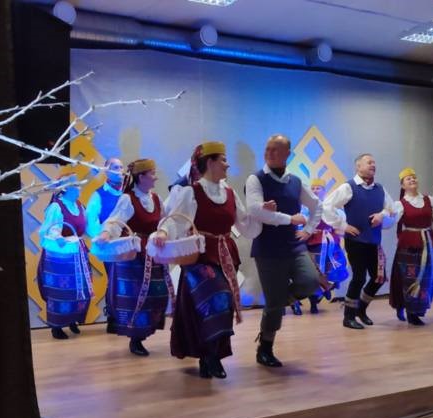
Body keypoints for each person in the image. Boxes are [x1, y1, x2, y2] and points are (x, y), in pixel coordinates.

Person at [162, 141, 262, 379]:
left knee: (222, 307)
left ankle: (210, 356)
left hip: (225, 255)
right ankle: (209, 356)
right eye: (223, 160)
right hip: (200, 256)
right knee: (219, 299)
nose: (228, 165)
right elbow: (176, 220)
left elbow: (245, 225)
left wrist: (262, 212)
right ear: (210, 162)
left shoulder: (230, 193)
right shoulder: (192, 192)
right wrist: (163, 233)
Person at [244, 134, 322, 367]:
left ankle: (278, 302)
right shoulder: (255, 179)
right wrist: (291, 219)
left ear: (288, 153)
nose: (269, 153)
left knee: (310, 281)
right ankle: (265, 348)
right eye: (267, 148)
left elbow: (317, 205)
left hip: (294, 245)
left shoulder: (295, 181)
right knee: (274, 303)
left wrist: (308, 229)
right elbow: (256, 211)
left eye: (275, 149)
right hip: (268, 249)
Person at [96, 158, 173, 356]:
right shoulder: (128, 198)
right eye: (152, 173)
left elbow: (165, 221)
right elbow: (115, 220)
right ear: (141, 177)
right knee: (138, 296)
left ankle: (145, 331)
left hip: (153, 253)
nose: (156, 177)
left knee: (157, 294)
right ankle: (136, 338)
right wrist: (106, 233)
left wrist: (163, 232)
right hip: (135, 255)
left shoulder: (156, 198)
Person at [323, 153, 397, 329]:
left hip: (374, 241)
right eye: (369, 162)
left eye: (374, 162)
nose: (373, 165)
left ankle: (361, 309)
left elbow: (392, 209)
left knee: (379, 278)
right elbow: (327, 206)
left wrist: (382, 215)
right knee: (359, 277)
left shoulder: (380, 189)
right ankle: (348, 317)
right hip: (356, 241)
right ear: (358, 166)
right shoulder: (349, 187)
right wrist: (343, 225)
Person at [36, 173, 101, 339]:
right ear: (65, 188)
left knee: (80, 289)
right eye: (76, 185)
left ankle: (73, 319)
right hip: (59, 257)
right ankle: (56, 326)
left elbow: (88, 228)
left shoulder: (79, 206)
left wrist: (102, 235)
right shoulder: (56, 207)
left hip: (78, 253)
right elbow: (48, 229)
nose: (79, 188)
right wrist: (57, 237)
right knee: (61, 291)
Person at [389, 168, 433, 326]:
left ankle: (418, 309)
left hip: (428, 243)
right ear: (402, 185)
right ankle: (410, 311)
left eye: (414, 177)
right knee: (410, 277)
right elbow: (390, 219)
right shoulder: (400, 204)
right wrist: (383, 216)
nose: (412, 180)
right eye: (408, 179)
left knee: (428, 277)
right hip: (410, 246)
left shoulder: (429, 200)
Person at [291, 178, 349, 315]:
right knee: (315, 272)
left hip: (330, 244)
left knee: (334, 270)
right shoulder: (305, 208)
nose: (316, 190)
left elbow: (339, 225)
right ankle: (313, 301)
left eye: (319, 188)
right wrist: (308, 230)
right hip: (312, 244)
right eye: (313, 188)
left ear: (324, 191)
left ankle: (326, 288)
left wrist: (339, 232)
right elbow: (300, 226)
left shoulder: (331, 207)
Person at [86, 157, 125, 332]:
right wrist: (102, 237)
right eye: (115, 167)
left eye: (121, 167)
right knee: (115, 278)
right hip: (110, 246)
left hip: (129, 244)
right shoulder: (99, 194)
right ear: (106, 171)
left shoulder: (128, 193)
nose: (119, 170)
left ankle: (127, 317)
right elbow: (91, 220)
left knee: (129, 279)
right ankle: (113, 318)